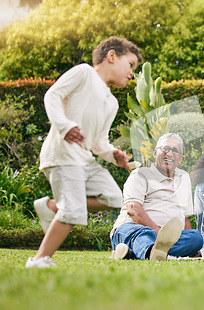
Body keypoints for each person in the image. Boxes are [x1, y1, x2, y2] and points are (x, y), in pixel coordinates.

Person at [27, 37, 143, 268]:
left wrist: (113, 154)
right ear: (112, 56)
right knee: (72, 211)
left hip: (85, 160)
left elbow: (98, 141)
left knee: (114, 197)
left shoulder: (112, 103)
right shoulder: (84, 73)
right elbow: (53, 95)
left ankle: (50, 206)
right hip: (62, 155)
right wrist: (64, 125)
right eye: (130, 65)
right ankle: (39, 259)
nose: (132, 74)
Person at [110, 133, 203, 260]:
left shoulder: (184, 178)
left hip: (170, 237)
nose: (169, 154)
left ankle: (134, 252)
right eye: (165, 149)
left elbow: (184, 217)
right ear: (155, 153)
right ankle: (152, 252)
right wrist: (159, 234)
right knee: (143, 234)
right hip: (133, 228)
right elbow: (133, 209)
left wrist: (192, 249)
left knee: (196, 237)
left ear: (180, 158)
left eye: (175, 150)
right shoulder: (140, 174)